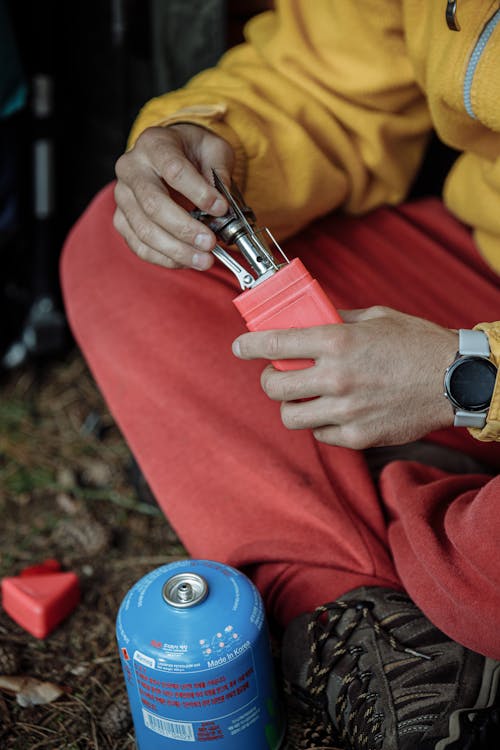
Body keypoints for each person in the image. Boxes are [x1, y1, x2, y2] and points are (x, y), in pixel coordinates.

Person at [60, 2, 500, 748]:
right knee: (125, 252)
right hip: (476, 260)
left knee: (482, 583)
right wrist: (217, 141)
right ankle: (364, 619)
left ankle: (410, 504)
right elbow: (328, 83)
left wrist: (467, 374)